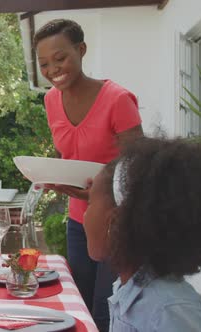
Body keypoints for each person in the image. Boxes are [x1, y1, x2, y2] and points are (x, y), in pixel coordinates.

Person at [33, 19, 143, 331]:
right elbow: (65, 150)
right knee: (77, 301)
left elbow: (139, 167)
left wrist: (103, 192)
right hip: (79, 221)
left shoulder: (118, 99)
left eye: (60, 57)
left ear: (81, 50)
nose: (53, 69)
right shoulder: (50, 100)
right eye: (44, 63)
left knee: (105, 309)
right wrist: (53, 173)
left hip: (117, 223)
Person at [84, 137, 201, 332]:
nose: (85, 215)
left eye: (89, 203)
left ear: (115, 222)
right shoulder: (130, 289)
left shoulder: (168, 313)